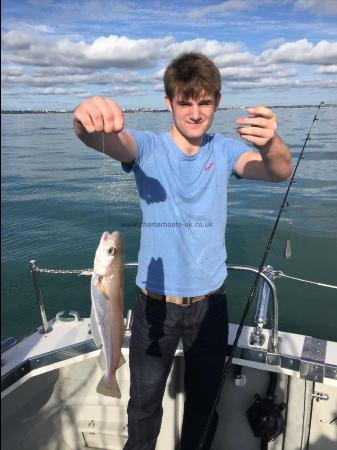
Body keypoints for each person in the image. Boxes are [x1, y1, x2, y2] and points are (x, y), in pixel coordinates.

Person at [73, 52, 292, 450]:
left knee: (205, 405)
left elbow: (278, 172)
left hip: (211, 306)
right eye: (185, 101)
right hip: (152, 307)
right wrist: (85, 122)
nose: (195, 112)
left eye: (204, 102)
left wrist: (272, 142)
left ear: (217, 103)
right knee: (142, 406)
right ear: (169, 101)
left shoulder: (224, 151)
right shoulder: (147, 146)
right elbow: (110, 141)